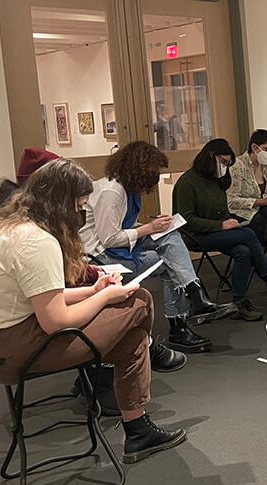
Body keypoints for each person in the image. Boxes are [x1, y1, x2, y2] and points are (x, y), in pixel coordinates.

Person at [0, 159, 186, 464]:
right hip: (14, 350)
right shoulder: (35, 242)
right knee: (139, 303)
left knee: (131, 337)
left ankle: (139, 429)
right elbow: (55, 320)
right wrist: (107, 296)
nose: (81, 213)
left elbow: (42, 298)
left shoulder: (5, 229)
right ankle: (147, 385)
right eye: (80, 204)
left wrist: (94, 290)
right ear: (62, 202)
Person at [81, 141, 237, 354]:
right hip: (101, 258)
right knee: (168, 263)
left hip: (116, 246)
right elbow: (109, 239)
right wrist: (149, 228)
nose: (156, 175)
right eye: (154, 170)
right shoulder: (112, 192)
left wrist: (157, 227)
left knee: (170, 235)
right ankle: (182, 322)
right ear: (139, 168)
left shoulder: (127, 189)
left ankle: (195, 296)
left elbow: (123, 227)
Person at [173, 139, 267, 322]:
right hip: (195, 235)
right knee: (249, 235)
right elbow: (186, 221)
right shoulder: (187, 183)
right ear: (212, 157)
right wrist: (220, 225)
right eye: (224, 163)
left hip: (217, 231)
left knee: (243, 251)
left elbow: (221, 210)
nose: (225, 168)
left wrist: (228, 220)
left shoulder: (216, 180)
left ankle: (238, 301)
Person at [227, 129, 267, 268]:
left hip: (264, 210)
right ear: (255, 147)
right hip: (243, 214)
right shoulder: (237, 166)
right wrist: (262, 201)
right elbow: (231, 201)